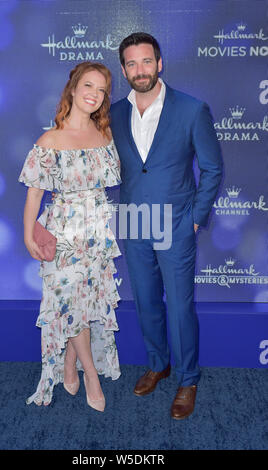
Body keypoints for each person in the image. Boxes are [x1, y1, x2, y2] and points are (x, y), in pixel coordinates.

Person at [110, 32, 223, 419]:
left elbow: (211, 168)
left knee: (178, 307)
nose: (139, 70)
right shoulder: (113, 113)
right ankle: (159, 364)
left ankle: (188, 378)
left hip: (175, 223)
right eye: (131, 63)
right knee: (145, 302)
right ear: (123, 69)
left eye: (146, 61)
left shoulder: (191, 109)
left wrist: (194, 219)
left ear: (160, 64)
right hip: (133, 220)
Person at [18, 62, 122, 410]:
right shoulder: (51, 139)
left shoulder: (104, 135)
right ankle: (91, 372)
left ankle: (69, 362)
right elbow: (34, 193)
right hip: (62, 233)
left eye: (102, 90)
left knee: (86, 303)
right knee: (69, 303)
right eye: (88, 86)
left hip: (97, 234)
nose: (94, 94)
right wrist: (28, 235)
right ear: (73, 89)